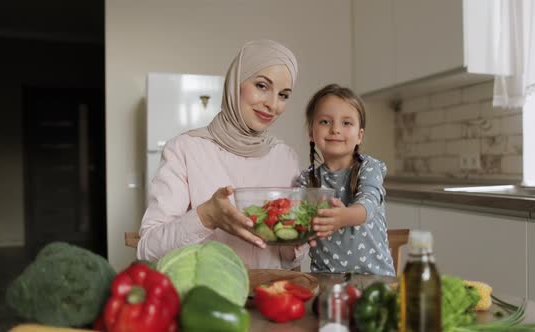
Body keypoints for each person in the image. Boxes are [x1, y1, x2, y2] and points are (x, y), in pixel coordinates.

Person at [137, 40, 308, 270]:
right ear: (236, 83)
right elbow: (148, 248)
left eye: (284, 95)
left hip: (270, 299)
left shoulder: (286, 158)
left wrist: (302, 237)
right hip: (205, 298)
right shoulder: (184, 149)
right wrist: (206, 216)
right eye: (262, 86)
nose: (273, 104)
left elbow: (289, 258)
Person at [296, 84, 395, 276]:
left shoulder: (369, 167)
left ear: (359, 135)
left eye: (346, 123)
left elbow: (369, 203)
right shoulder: (306, 180)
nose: (335, 129)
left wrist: (343, 217)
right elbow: (299, 225)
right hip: (325, 281)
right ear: (311, 132)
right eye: (325, 121)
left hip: (375, 279)